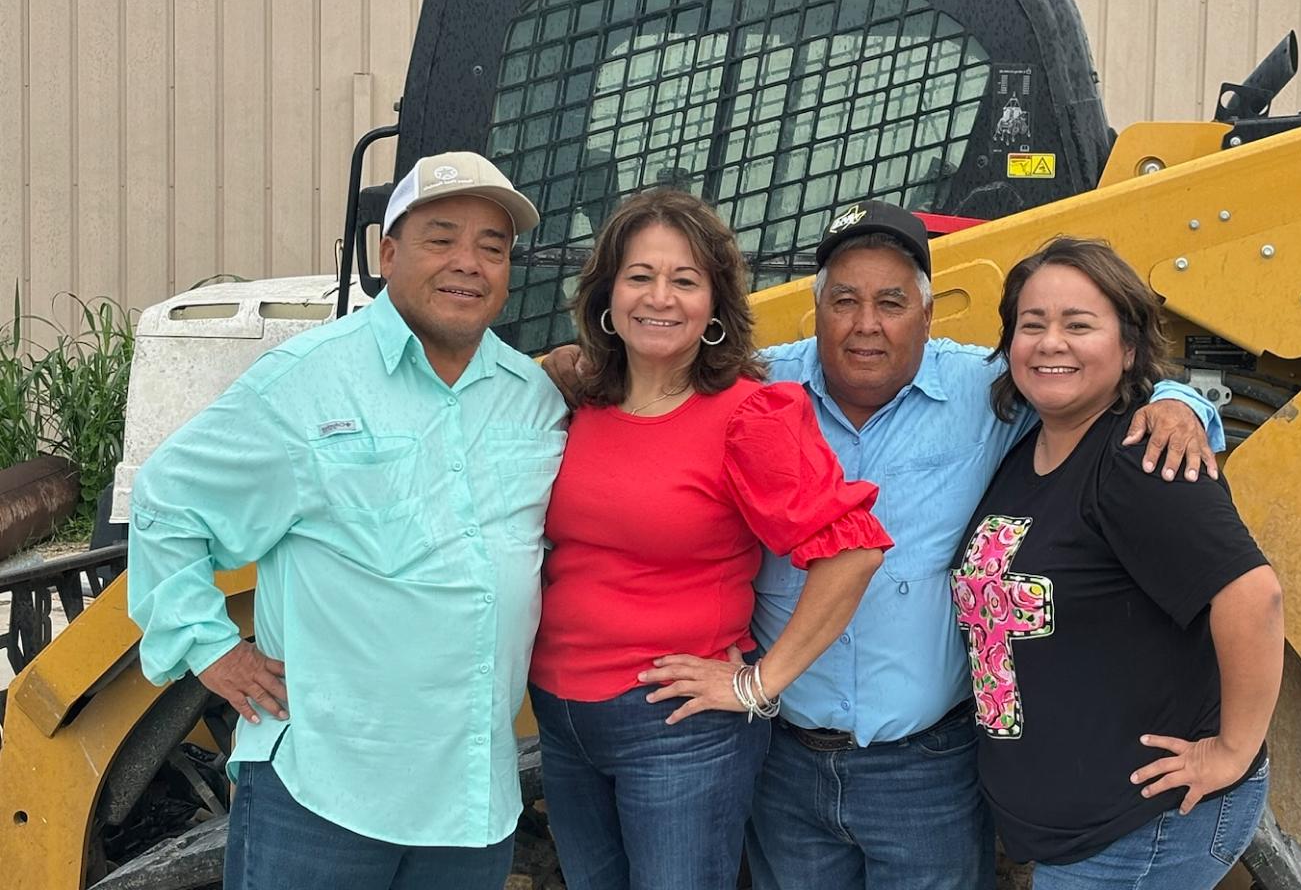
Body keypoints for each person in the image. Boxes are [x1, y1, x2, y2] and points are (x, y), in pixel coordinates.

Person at [543, 199, 1222, 890]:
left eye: (892, 302)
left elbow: (1079, 375)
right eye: (845, 300)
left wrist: (1175, 401)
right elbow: (645, 387)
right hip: (787, 764)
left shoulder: (983, 393)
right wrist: (574, 363)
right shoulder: (756, 388)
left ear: (928, 316)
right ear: (817, 310)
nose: (866, 323)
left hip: (925, 769)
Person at [127, 151, 566, 890]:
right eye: (442, 239)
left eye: (493, 248)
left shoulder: (533, 398)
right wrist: (208, 650)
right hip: (324, 794)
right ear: (388, 254)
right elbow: (168, 499)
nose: (468, 263)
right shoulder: (306, 383)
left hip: (469, 799)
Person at [527, 188, 893, 890]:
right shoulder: (577, 400)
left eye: (685, 280)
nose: (659, 298)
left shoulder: (748, 415)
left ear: (715, 306)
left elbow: (853, 550)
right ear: (607, 294)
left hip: (675, 729)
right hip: (562, 718)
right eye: (640, 276)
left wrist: (758, 684)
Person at [950, 236, 1283, 888]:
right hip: (1077, 832)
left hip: (1141, 828)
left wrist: (1232, 751)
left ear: (1128, 347)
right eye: (1032, 324)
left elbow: (1254, 595)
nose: (1051, 343)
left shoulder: (1138, 458)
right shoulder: (1029, 452)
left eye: (1079, 325)